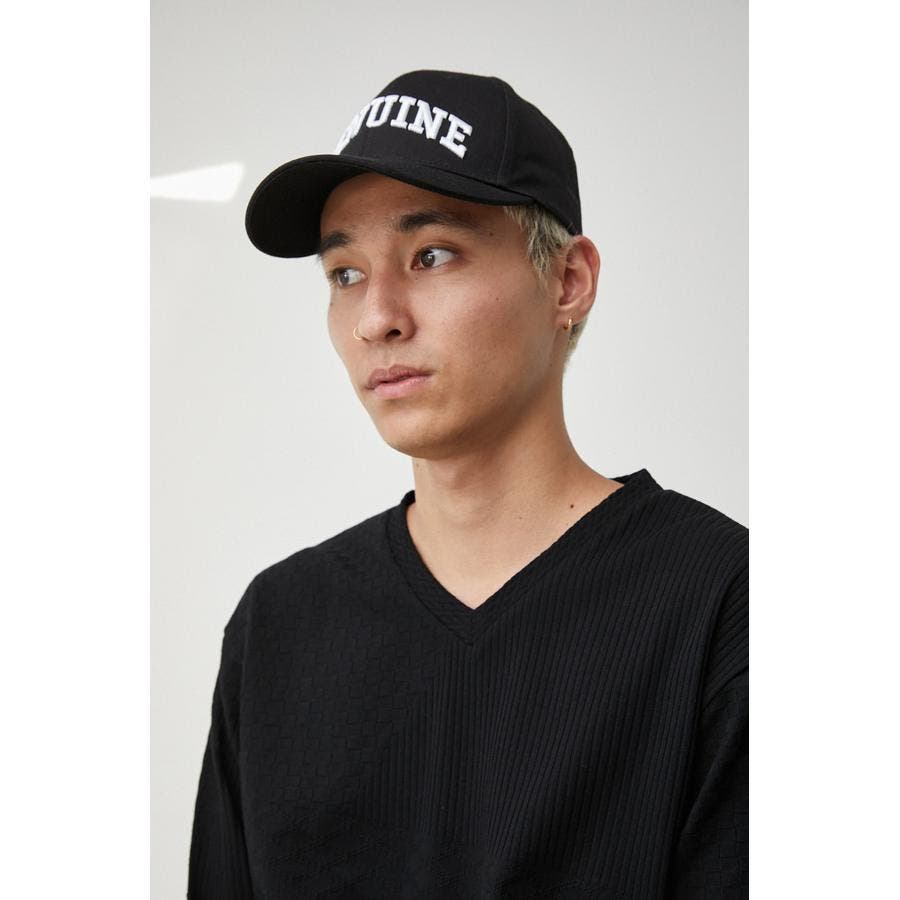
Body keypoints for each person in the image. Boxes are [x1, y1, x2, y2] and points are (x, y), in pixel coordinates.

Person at [188, 70, 748, 898]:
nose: (377, 317)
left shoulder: (720, 601)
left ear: (567, 281)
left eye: (432, 255)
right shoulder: (279, 625)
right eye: (344, 274)